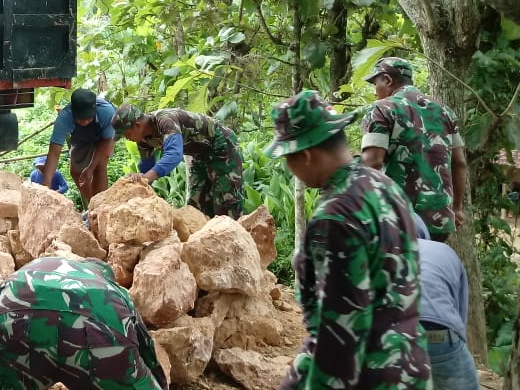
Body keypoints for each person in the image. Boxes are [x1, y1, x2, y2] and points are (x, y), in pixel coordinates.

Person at [265, 90, 429, 389]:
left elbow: (341, 337)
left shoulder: (335, 217)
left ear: (306, 155)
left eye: (288, 159)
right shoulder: (384, 185)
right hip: (411, 366)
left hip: (368, 376)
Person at [0, 257, 168, 390]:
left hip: (10, 315)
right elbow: (145, 348)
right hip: (100, 331)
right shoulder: (113, 292)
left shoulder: (29, 271)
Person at [360, 57, 468, 241]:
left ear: (387, 79)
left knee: (401, 269)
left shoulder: (381, 109)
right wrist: (456, 208)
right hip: (439, 220)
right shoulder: (445, 111)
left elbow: (372, 163)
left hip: (400, 220)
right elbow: (459, 163)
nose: (375, 93)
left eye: (375, 84)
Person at [111, 105, 244, 218]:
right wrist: (136, 182)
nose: (127, 139)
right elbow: (147, 168)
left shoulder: (164, 120)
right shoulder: (143, 140)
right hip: (197, 153)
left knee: (226, 201)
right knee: (195, 204)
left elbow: (174, 154)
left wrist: (146, 177)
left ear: (137, 125)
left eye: (127, 134)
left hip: (221, 145)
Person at [411, 214, 480, 389]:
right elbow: (459, 310)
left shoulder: (386, 253)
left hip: (397, 334)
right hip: (439, 334)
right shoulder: (444, 251)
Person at [38, 89, 116, 206]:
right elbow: (54, 153)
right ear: (73, 113)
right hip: (81, 138)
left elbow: (106, 142)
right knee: (76, 172)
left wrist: (90, 167)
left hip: (104, 138)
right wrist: (45, 188)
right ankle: (93, 206)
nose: (84, 121)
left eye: (88, 118)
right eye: (80, 119)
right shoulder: (64, 118)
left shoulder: (107, 112)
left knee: (100, 167)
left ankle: (102, 207)